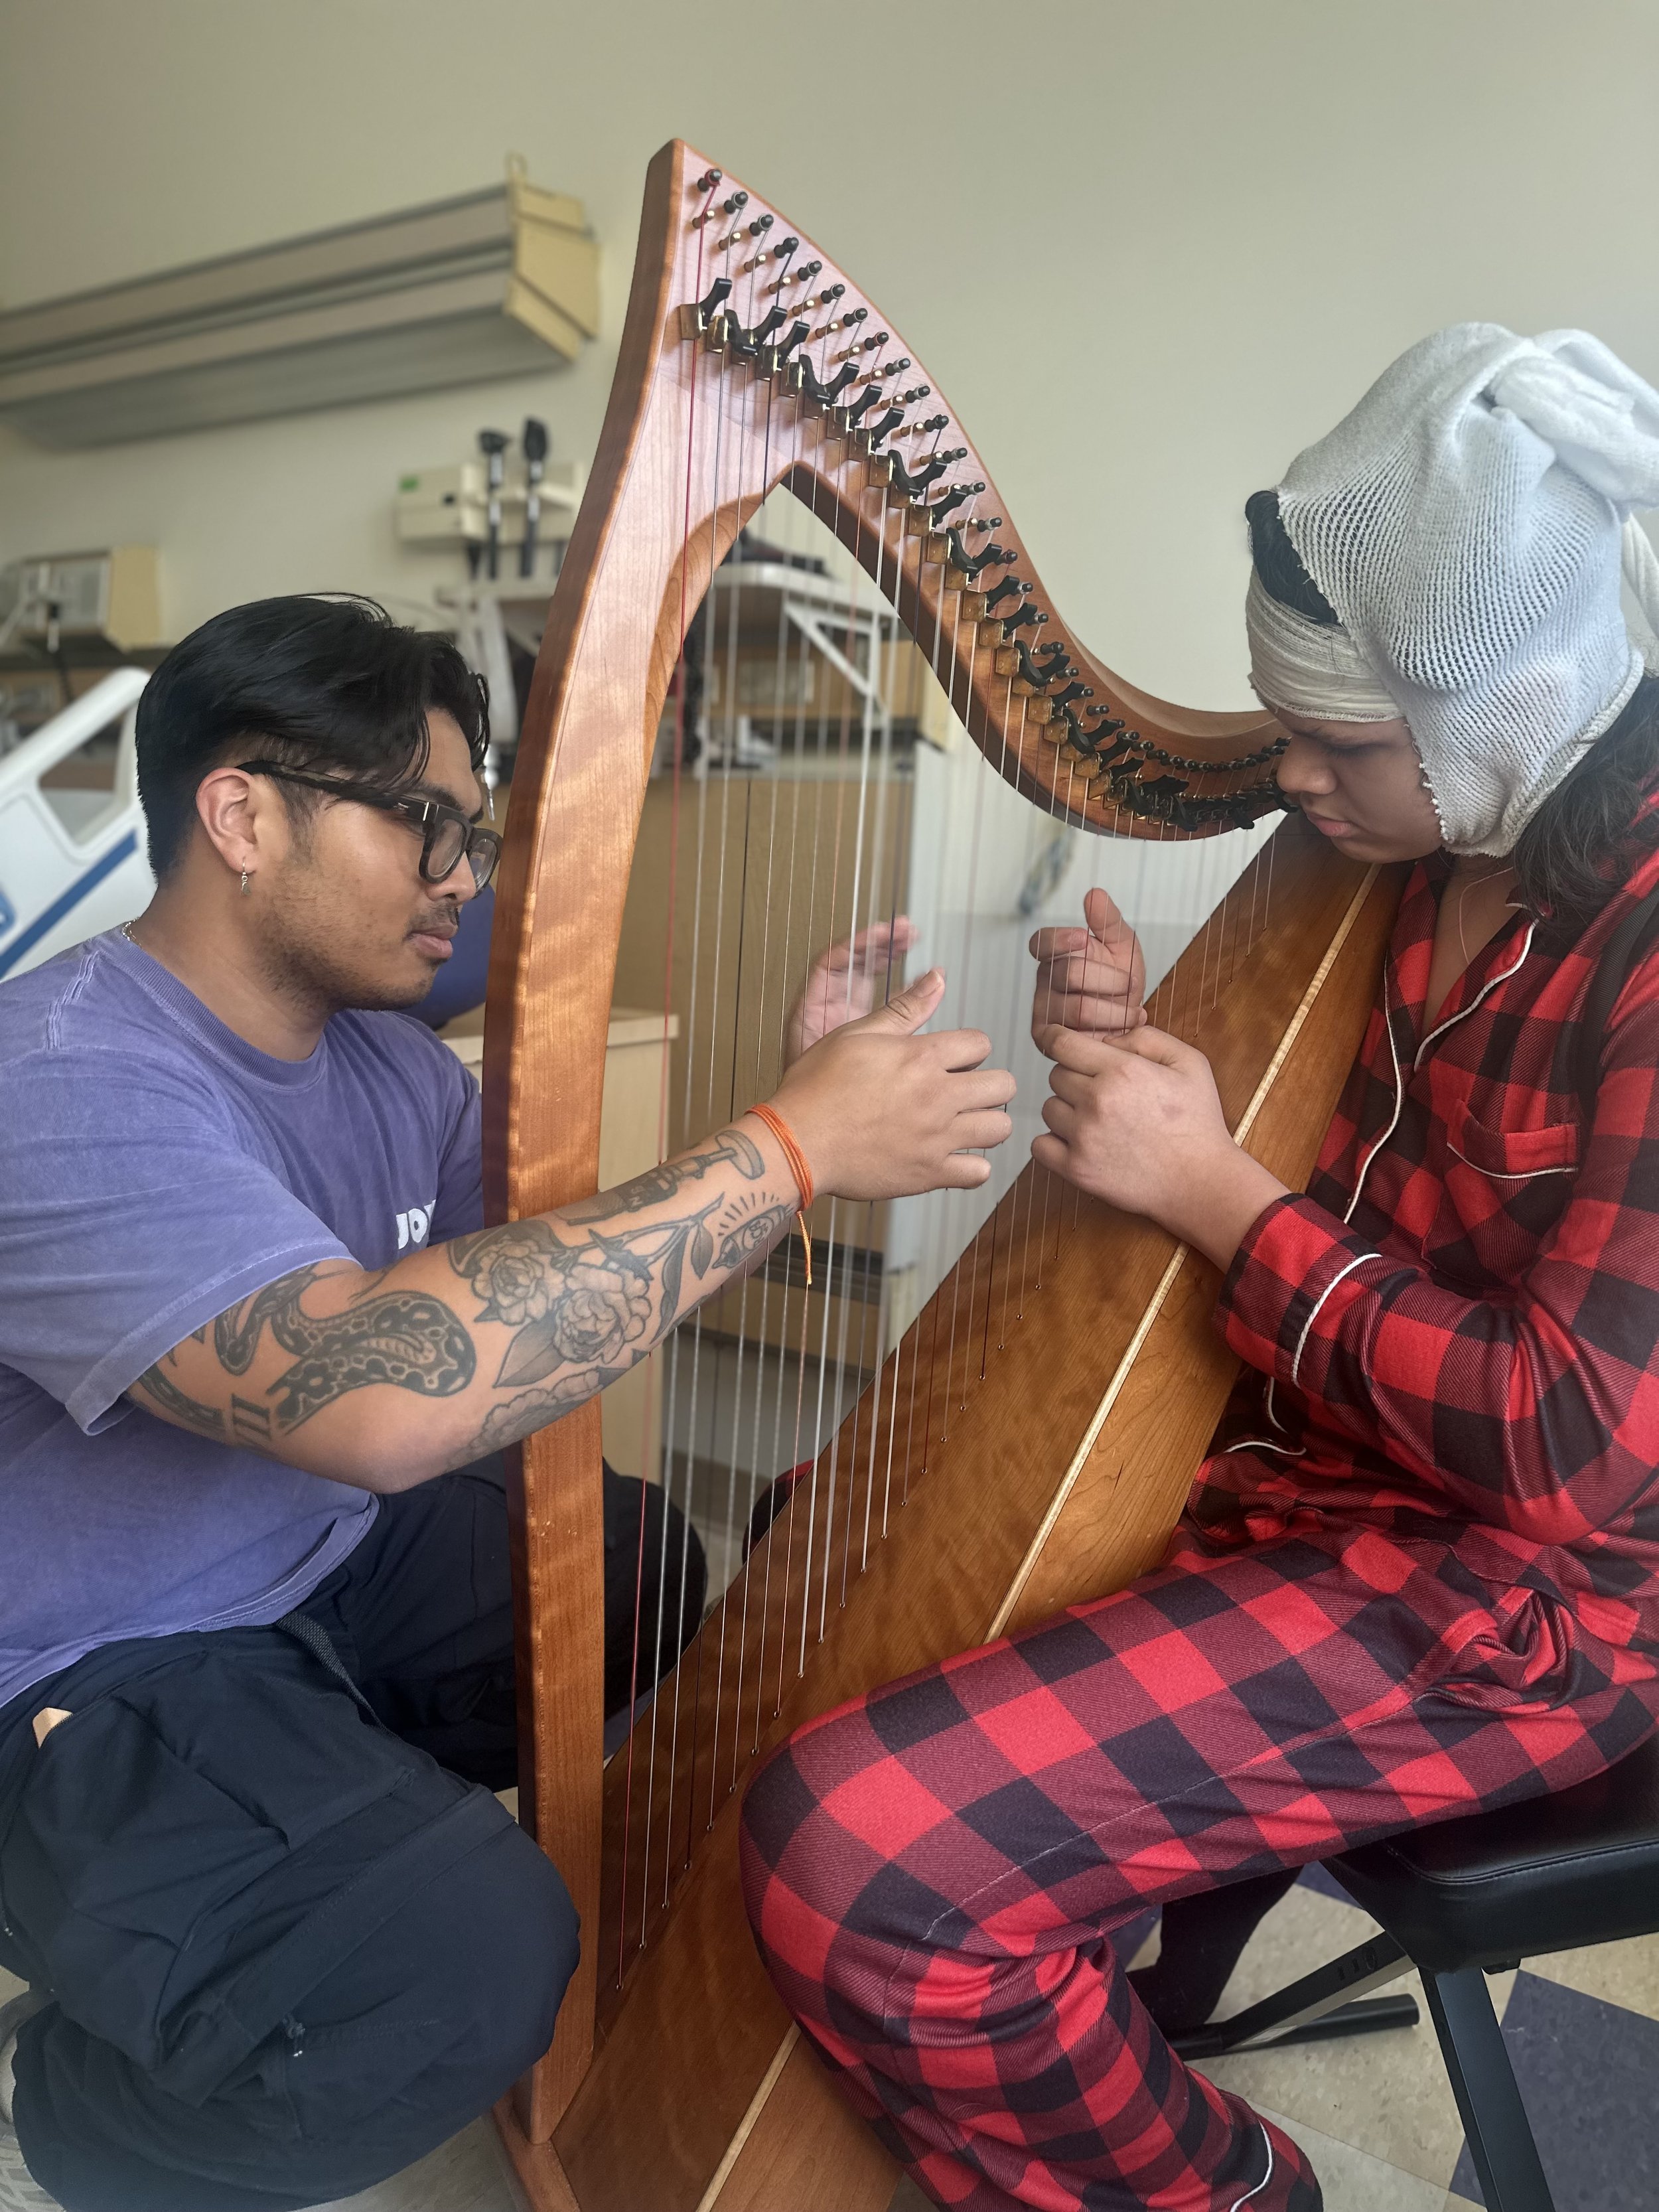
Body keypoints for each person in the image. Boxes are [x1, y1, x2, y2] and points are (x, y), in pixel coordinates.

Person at [739, 324, 1659, 2212]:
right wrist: (1160, 1061)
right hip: (1303, 1459)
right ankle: (1113, 1990)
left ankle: (1223, 2188)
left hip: (1525, 1594)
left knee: (859, 1851)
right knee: (808, 1524)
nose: (1285, 776)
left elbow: (1577, 1450)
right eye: (1280, 726)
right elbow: (1367, 1176)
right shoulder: (1408, 851)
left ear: (1519, 704)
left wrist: (1220, 1192)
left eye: (1337, 741)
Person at [0, 595, 1016, 2212]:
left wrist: (781, 1102)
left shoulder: (386, 1066)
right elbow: (375, 1394)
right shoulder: (56, 1073)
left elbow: (537, 1292)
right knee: (467, 1966)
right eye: (423, 825)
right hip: (86, 1651)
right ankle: (71, 2096)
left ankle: (288, 1855)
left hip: (311, 1556)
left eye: (469, 834)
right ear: (241, 812)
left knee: (639, 1564)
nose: (462, 878)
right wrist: (793, 1150)